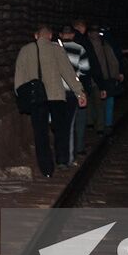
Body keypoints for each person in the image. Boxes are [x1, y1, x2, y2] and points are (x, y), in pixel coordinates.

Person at [13, 25, 86, 176]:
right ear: (50, 36)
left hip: (36, 98)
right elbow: (68, 72)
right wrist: (79, 92)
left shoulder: (25, 50)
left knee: (41, 133)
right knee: (61, 130)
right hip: (56, 96)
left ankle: (46, 169)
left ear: (35, 36)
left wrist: (21, 95)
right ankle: (62, 161)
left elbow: (19, 77)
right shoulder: (56, 50)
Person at [58, 25, 89, 161]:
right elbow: (85, 69)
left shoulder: (53, 48)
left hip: (55, 91)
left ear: (60, 34)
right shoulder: (79, 49)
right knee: (69, 126)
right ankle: (68, 158)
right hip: (71, 91)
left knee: (58, 125)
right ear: (73, 35)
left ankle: (60, 158)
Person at [86, 25, 123, 133]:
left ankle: (91, 123)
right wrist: (116, 74)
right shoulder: (104, 44)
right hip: (103, 77)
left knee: (91, 101)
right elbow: (113, 61)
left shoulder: (85, 44)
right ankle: (103, 126)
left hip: (89, 78)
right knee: (102, 103)